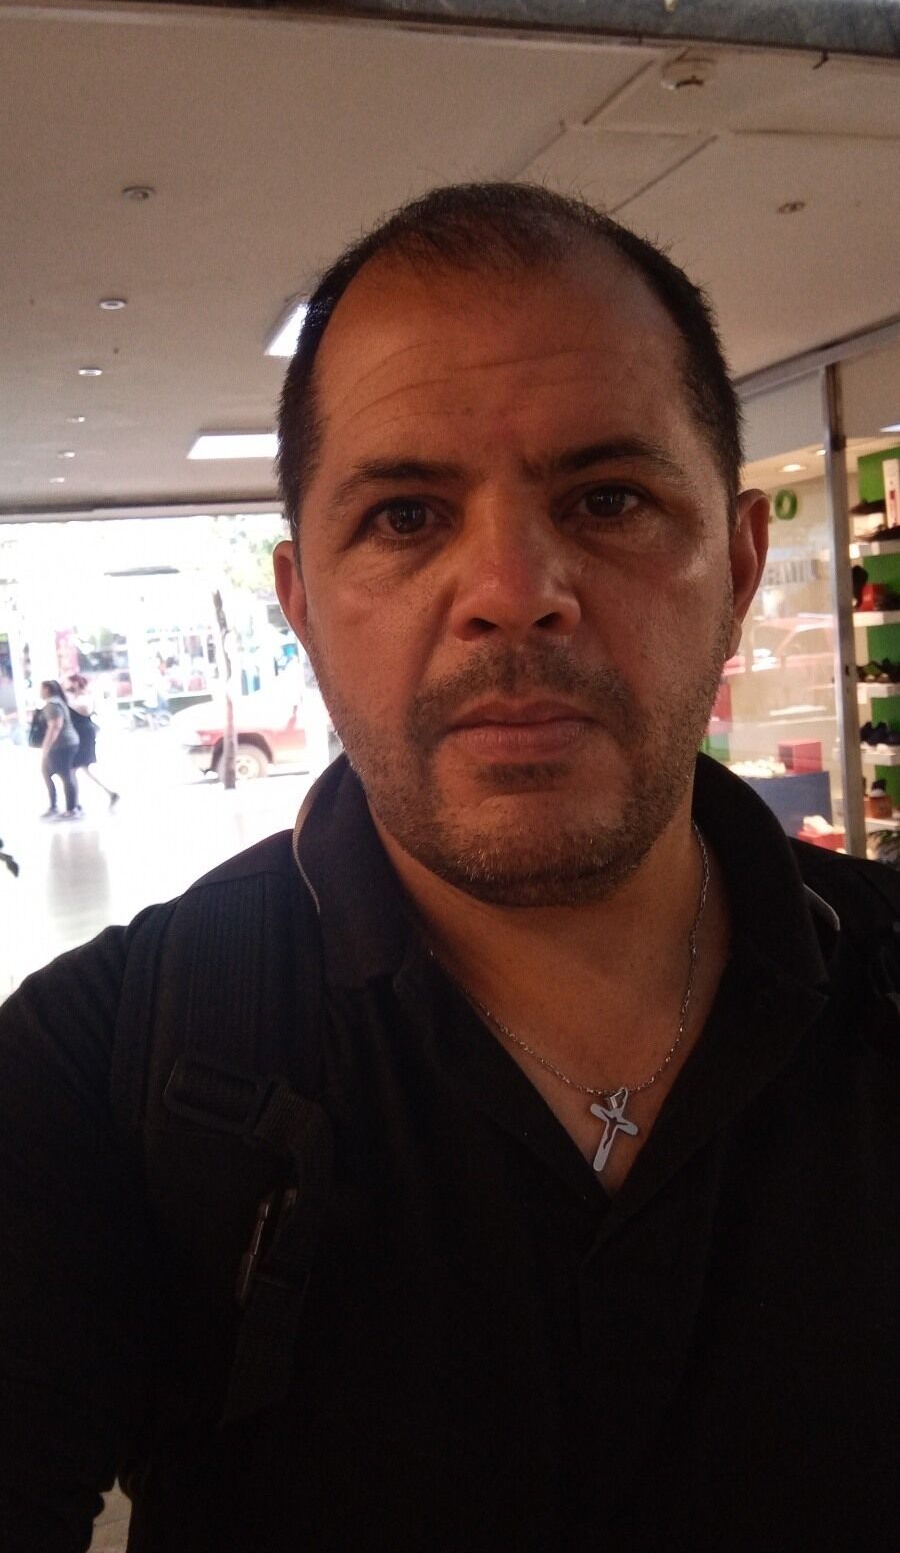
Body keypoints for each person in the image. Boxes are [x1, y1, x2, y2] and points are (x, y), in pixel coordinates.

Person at [1, 184, 898, 1552]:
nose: (513, 591)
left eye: (609, 498)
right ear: (304, 607)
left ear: (737, 565)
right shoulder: (96, 1073)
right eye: (408, 516)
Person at [66, 673, 120, 807]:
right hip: (80, 734)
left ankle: (74, 804)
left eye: (70, 683)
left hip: (83, 735)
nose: (68, 686)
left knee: (74, 769)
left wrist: (68, 701)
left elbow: (85, 709)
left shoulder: (84, 698)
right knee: (82, 769)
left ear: (76, 683)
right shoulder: (77, 697)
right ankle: (109, 793)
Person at [35, 677, 81, 819]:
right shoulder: (57, 702)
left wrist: (46, 746)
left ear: (47, 689)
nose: (39, 692)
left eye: (41, 688)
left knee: (65, 775)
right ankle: (57, 806)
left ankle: (71, 808)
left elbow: (55, 727)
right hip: (66, 743)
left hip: (62, 745)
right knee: (49, 773)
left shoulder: (53, 705)